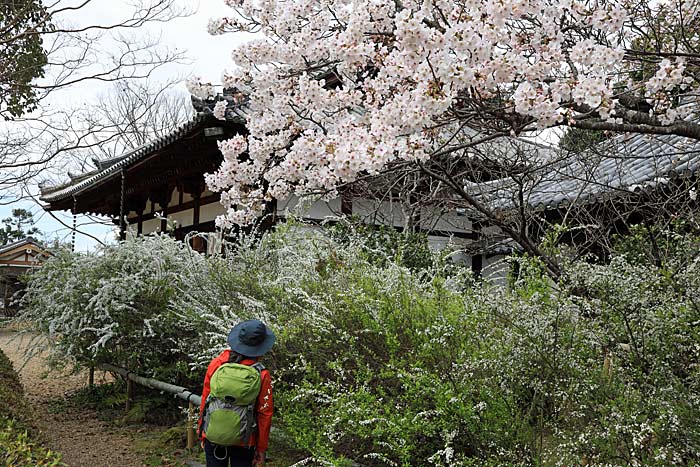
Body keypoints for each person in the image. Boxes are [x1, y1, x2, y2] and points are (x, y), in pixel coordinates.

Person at [199, 319, 275, 467]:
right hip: (245, 441)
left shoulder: (217, 364)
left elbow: (205, 400)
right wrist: (261, 448)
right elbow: (264, 413)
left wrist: (202, 432)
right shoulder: (262, 374)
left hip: (214, 435)